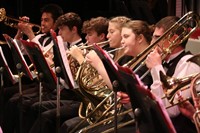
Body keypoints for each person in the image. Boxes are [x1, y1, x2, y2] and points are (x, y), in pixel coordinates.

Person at [60, 16, 132, 133]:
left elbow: (110, 86)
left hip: (115, 111)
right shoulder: (115, 54)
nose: (108, 36)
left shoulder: (124, 58)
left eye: (111, 32)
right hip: (99, 107)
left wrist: (80, 59)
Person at [81, 19, 154, 132]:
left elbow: (120, 89)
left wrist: (99, 65)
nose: (122, 41)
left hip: (136, 119)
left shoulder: (148, 63)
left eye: (125, 36)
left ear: (140, 38)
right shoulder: (127, 58)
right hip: (124, 113)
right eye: (122, 37)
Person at [1, 3, 64, 133]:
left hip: (47, 85)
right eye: (41, 20)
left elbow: (43, 55)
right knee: (6, 92)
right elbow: (17, 50)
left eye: (47, 20)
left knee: (16, 100)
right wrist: (19, 31)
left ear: (56, 22)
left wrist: (30, 34)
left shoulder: (59, 40)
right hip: (38, 82)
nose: (42, 23)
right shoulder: (39, 37)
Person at [28, 12, 84, 133]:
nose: (59, 33)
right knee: (31, 105)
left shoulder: (82, 50)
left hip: (73, 95)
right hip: (60, 90)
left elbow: (74, 81)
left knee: (43, 113)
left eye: (62, 29)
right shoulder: (67, 47)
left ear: (73, 29)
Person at [145, 16, 200, 132]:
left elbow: (171, 111)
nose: (151, 43)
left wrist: (156, 69)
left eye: (157, 38)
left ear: (174, 39)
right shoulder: (163, 63)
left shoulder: (189, 64)